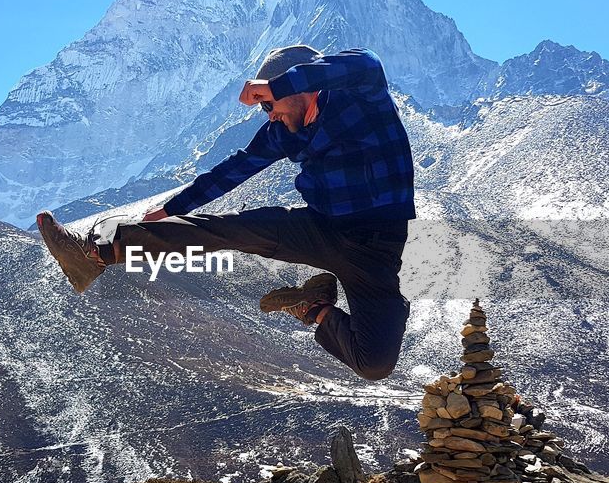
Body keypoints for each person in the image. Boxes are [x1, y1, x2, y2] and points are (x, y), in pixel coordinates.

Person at [36, 45, 415, 381]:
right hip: (319, 228)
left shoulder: (360, 100)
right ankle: (95, 253)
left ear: (297, 88)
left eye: (270, 105)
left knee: (375, 364)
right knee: (229, 230)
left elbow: (367, 63)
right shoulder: (282, 131)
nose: (270, 115)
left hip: (375, 249)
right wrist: (170, 209)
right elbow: (233, 169)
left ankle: (313, 307)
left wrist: (276, 88)